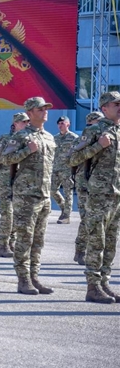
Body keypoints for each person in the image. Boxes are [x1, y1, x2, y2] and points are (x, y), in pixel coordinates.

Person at [0, 96, 57, 296]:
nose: (45, 111)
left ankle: (34, 277)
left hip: (44, 195)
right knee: (24, 239)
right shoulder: (22, 137)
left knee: (38, 240)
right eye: (40, 109)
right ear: (30, 113)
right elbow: (3, 158)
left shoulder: (49, 137)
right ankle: (23, 280)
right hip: (26, 196)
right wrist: (25, 151)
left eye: (46, 108)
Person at [69, 91, 120, 304]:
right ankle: (92, 286)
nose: (119, 107)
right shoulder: (95, 130)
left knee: (110, 242)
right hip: (98, 195)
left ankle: (104, 282)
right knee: (96, 241)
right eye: (116, 104)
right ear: (104, 108)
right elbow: (73, 157)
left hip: (116, 195)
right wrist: (99, 145)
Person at [0, 112, 30, 257]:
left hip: (22, 182)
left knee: (18, 214)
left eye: (27, 122)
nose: (26, 124)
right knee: (7, 214)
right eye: (23, 122)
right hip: (5, 180)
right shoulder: (5, 139)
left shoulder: (29, 139)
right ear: (15, 124)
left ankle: (11, 242)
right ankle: (3, 245)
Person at [71, 111, 104, 265]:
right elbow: (74, 159)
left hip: (99, 185)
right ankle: (80, 251)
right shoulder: (85, 138)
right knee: (86, 218)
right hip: (84, 183)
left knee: (99, 220)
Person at [51, 116, 78, 224]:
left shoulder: (74, 138)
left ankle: (66, 216)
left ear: (68, 124)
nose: (60, 125)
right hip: (56, 168)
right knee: (52, 190)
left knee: (68, 192)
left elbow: (77, 154)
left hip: (68, 170)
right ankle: (63, 207)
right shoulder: (55, 138)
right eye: (59, 123)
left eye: (63, 123)